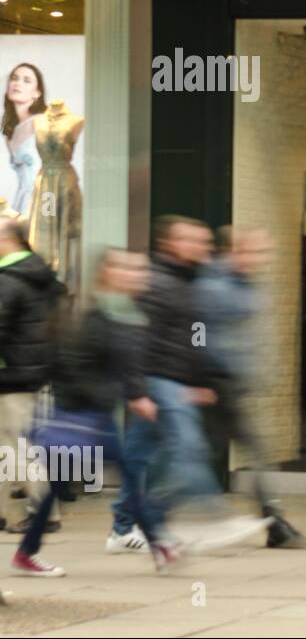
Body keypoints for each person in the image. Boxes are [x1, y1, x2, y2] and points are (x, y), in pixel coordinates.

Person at [10, 249, 181, 576]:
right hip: (84, 417)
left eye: (138, 269)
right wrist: (124, 397)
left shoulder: (124, 313)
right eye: (126, 269)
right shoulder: (97, 318)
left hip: (94, 416)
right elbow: (72, 366)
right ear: (107, 274)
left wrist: (134, 394)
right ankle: (158, 544)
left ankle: (27, 553)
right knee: (123, 474)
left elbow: (126, 365)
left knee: (66, 485)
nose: (136, 275)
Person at [108, 216, 266, 553]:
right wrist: (137, 390)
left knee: (142, 455)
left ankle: (127, 526)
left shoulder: (187, 282)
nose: (203, 248)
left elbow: (195, 339)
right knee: (188, 448)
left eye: (205, 242)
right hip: (159, 380)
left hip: (174, 380)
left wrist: (200, 381)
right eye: (193, 241)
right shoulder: (157, 282)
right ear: (170, 244)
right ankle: (214, 517)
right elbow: (135, 338)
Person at [196, 226, 306, 548]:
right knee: (210, 454)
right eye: (258, 252)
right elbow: (198, 334)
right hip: (217, 384)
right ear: (238, 250)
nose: (264, 259)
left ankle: (275, 524)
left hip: (233, 384)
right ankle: (274, 525)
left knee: (206, 453)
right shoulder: (214, 286)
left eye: (266, 252)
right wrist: (204, 377)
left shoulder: (244, 284)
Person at [0, 218, 64, 534]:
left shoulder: (7, 279)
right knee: (8, 444)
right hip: (29, 373)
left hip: (10, 374)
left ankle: (44, 512)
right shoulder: (39, 275)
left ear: (7, 241)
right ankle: (6, 511)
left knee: (16, 445)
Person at [4, 63, 46, 218]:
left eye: (26, 80)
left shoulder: (42, 123)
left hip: (43, 204)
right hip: (21, 204)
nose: (17, 83)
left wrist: (50, 214)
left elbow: (53, 174)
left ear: (37, 93)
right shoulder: (10, 135)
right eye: (14, 78)